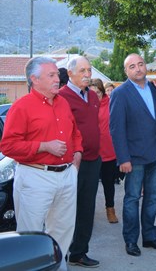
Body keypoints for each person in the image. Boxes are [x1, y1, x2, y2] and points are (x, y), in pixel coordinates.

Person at [0, 57, 83, 271]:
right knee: (31, 233)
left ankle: (57, 265)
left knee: (64, 228)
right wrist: (43, 146)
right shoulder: (21, 107)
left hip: (66, 175)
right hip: (35, 176)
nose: (58, 79)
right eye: (52, 75)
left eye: (57, 74)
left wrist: (78, 155)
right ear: (34, 79)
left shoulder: (63, 102)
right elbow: (8, 146)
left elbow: (75, 133)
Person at [109, 53, 156, 257]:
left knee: (153, 197)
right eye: (132, 66)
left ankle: (149, 237)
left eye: (140, 64)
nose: (138, 69)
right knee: (132, 198)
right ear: (126, 71)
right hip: (134, 157)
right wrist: (123, 158)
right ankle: (131, 240)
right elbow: (116, 128)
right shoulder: (120, 93)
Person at [58, 56, 102, 268]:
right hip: (72, 163)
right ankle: (61, 254)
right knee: (67, 210)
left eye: (89, 70)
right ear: (70, 73)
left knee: (87, 208)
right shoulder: (61, 97)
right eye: (83, 70)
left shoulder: (93, 96)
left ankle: (79, 252)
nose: (87, 74)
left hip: (93, 160)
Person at [90, 78, 118, 224]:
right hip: (91, 151)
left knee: (108, 183)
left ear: (102, 92)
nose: (95, 95)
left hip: (108, 150)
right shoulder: (87, 104)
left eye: (98, 92)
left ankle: (110, 209)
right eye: (92, 92)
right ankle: (89, 212)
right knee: (90, 185)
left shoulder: (111, 104)